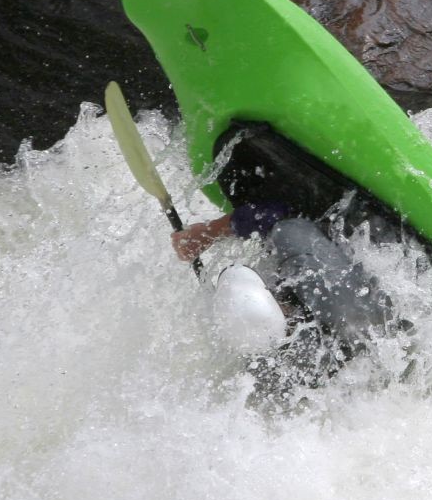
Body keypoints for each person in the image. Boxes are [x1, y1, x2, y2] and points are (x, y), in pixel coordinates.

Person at [170, 122, 405, 355]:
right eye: (270, 291)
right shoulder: (321, 287)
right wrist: (210, 231)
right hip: (393, 296)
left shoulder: (274, 357)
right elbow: (281, 217)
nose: (272, 288)